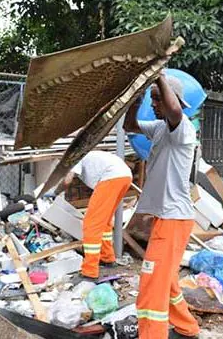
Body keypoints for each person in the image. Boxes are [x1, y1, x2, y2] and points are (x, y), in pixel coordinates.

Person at [124, 73, 200, 339]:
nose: (154, 105)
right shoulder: (158, 128)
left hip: (174, 218)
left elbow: (175, 110)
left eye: (158, 100)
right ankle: (188, 328)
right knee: (165, 281)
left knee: (151, 285)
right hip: (167, 217)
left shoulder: (182, 128)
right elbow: (130, 126)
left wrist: (159, 78)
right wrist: (136, 99)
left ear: (172, 101)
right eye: (152, 100)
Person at [55, 150, 132, 280]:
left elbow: (67, 181)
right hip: (124, 176)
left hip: (111, 177)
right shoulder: (87, 155)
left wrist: (54, 192)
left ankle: (90, 271)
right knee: (105, 221)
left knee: (91, 224)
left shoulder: (74, 157)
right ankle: (107, 258)